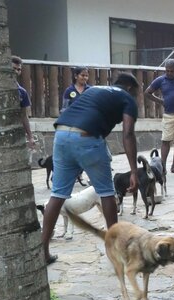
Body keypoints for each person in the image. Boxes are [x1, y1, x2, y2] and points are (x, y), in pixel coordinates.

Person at [41, 73, 141, 264]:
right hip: (87, 139)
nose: (136, 96)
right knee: (106, 192)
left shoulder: (94, 89)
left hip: (61, 136)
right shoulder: (127, 98)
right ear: (130, 88)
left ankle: (43, 251)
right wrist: (134, 171)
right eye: (136, 92)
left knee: (58, 194)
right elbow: (128, 134)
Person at [11, 55, 35, 148]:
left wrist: (30, 137)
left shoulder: (22, 92)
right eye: (13, 69)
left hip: (15, 133)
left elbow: (24, 116)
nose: (16, 72)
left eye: (18, 69)